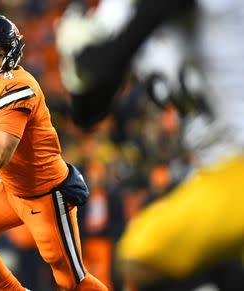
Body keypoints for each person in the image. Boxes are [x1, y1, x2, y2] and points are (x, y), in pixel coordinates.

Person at [56, 0, 244, 290]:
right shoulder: (118, 9)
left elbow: (110, 58)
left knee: (144, 253)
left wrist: (89, 57)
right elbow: (89, 112)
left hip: (235, 164)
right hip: (219, 173)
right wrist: (78, 72)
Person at [0, 14, 108, 291]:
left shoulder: (17, 87)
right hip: (12, 188)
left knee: (72, 283)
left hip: (44, 194)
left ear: (11, 52)